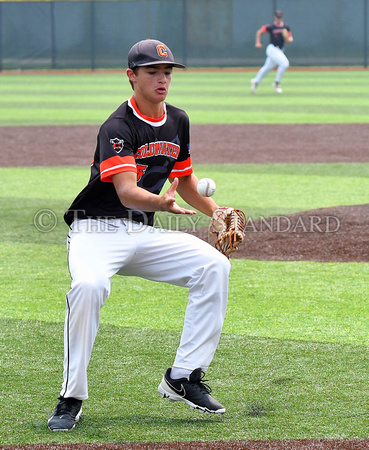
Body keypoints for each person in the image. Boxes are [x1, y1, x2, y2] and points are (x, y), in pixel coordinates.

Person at [47, 38, 232, 431]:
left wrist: (218, 212)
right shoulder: (117, 126)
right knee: (89, 287)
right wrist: (161, 204)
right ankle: (70, 396)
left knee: (214, 266)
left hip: (140, 234)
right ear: (132, 77)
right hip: (94, 230)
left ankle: (183, 377)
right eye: (152, 72)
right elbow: (127, 191)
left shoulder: (178, 119)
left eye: (167, 72)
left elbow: (184, 180)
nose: (162, 79)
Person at [251, 10, 293, 94]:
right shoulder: (271, 26)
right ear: (274, 18)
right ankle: (277, 83)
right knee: (285, 64)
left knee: (267, 67)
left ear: (282, 17)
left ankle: (255, 81)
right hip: (272, 49)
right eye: (277, 17)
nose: (279, 19)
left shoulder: (286, 27)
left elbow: (290, 39)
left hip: (280, 50)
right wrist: (258, 42)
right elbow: (259, 32)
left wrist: (287, 38)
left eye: (280, 17)